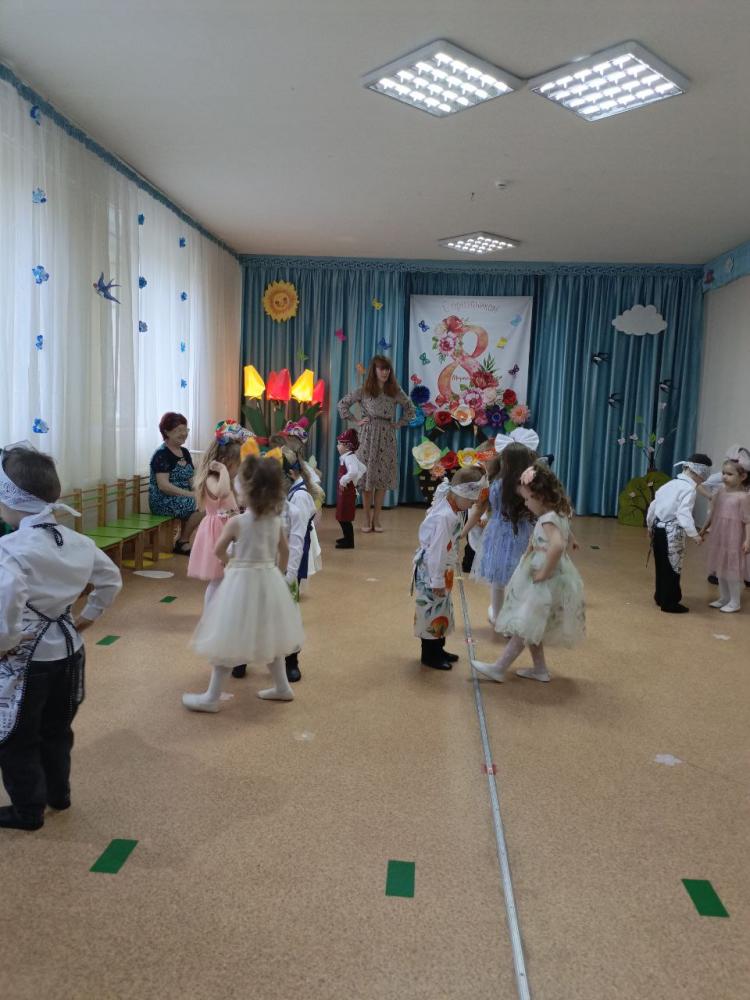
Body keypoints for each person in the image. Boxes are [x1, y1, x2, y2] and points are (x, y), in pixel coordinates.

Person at [0, 442, 122, 830]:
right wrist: (87, 618)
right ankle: (59, 794)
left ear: (10, 500)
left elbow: (7, 604)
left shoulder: (9, 549)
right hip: (70, 652)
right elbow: (110, 580)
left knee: (17, 736)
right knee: (57, 729)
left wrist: (4, 646)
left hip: (28, 662)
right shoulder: (77, 541)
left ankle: (28, 810)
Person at [183, 455, 304, 713]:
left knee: (228, 638)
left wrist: (230, 563)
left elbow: (218, 550)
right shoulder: (275, 522)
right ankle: (282, 687)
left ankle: (211, 697)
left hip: (241, 583)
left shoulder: (237, 522)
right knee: (270, 636)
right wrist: (277, 573)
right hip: (268, 581)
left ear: (245, 492)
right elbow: (284, 552)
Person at [471, 462, 585, 683]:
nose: (525, 503)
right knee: (533, 623)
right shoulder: (558, 513)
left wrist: (544, 572)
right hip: (546, 571)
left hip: (543, 577)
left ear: (539, 496)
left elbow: (557, 545)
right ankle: (540, 669)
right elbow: (564, 533)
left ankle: (498, 668)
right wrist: (572, 539)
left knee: (524, 625)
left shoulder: (548, 519)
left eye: (527, 499)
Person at [413, 466, 485, 670]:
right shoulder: (446, 517)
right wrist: (436, 580)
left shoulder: (452, 508)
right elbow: (436, 551)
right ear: (460, 494)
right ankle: (429, 654)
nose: (472, 504)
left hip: (443, 569)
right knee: (431, 612)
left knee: (442, 609)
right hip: (433, 571)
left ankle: (439, 648)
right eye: (470, 500)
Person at [463, 429, 539, 624]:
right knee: (517, 574)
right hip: (520, 534)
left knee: (500, 576)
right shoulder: (525, 485)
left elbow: (479, 510)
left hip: (500, 533)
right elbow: (539, 511)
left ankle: (499, 616)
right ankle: (513, 616)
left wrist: (462, 533)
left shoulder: (496, 483)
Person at [337, 355, 415, 532]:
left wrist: (399, 423)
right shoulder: (364, 390)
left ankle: (377, 519)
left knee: (382, 480)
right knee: (367, 479)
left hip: (387, 436)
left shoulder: (395, 390)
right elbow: (342, 404)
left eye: (387, 369)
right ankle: (366, 519)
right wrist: (356, 420)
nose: (385, 372)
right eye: (381, 368)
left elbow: (410, 408)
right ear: (375, 370)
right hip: (368, 436)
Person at [646, 453, 711, 613]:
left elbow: (653, 506)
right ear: (698, 473)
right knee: (673, 567)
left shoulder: (669, 484)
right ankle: (669, 603)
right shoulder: (689, 489)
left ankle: (660, 596)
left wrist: (650, 526)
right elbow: (684, 514)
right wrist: (694, 535)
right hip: (672, 533)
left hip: (658, 529)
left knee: (661, 565)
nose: (702, 481)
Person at [187, 421, 243, 605]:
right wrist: (222, 469)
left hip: (228, 528)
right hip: (217, 531)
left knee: (227, 577)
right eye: (236, 466)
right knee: (219, 577)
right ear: (225, 462)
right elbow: (222, 492)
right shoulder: (211, 478)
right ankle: (210, 613)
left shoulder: (226, 480)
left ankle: (221, 610)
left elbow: (233, 501)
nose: (237, 471)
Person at [700, 455, 750, 613]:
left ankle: (735, 602)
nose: (724, 477)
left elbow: (748, 521)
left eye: (729, 474)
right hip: (720, 535)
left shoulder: (744, 497)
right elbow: (713, 513)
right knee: (720, 567)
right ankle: (724, 597)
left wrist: (748, 540)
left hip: (734, 537)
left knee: (732, 569)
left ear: (743, 476)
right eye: (723, 473)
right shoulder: (720, 492)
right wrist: (704, 528)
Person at [149, 412, 204, 554]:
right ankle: (182, 542)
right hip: (163, 499)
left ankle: (182, 539)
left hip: (182, 496)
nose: (184, 433)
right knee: (200, 506)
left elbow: (190, 478)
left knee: (205, 500)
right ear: (166, 431)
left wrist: (199, 491)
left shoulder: (184, 452)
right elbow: (164, 486)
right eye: (179, 430)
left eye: (185, 429)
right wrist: (190, 495)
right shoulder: (161, 454)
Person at [335, 429, 366, 549]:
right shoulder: (348, 457)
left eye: (340, 444)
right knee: (342, 516)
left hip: (347, 492)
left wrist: (345, 480)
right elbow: (363, 468)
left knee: (345, 517)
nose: (337, 446)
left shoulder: (349, 458)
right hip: (345, 491)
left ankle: (349, 542)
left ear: (347, 446)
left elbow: (354, 471)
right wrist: (354, 480)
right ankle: (346, 538)